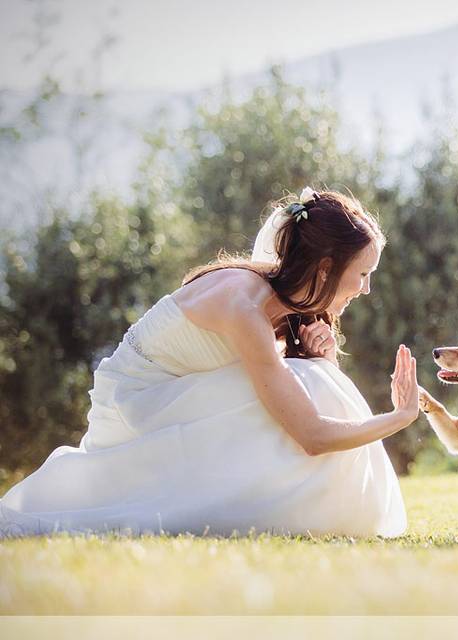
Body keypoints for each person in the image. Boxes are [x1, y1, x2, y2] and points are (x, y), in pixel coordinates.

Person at [0, 187, 418, 538]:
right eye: (363, 274)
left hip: (172, 398)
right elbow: (310, 433)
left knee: (316, 377)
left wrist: (325, 359)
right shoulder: (244, 305)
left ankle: (292, 503)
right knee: (313, 381)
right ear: (326, 268)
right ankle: (272, 506)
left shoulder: (277, 301)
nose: (366, 289)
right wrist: (398, 417)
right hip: (132, 407)